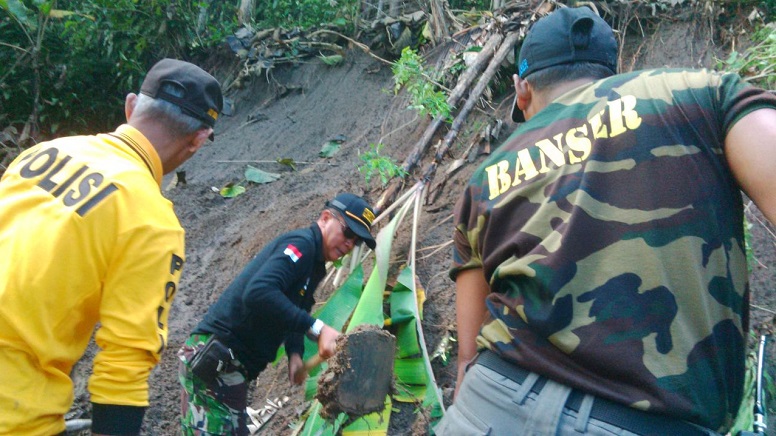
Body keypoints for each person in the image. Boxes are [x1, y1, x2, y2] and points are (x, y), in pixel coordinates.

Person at [436, 6, 776, 436]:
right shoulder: (700, 94)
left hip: (491, 405)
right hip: (644, 422)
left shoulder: (487, 175)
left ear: (522, 90)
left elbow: (466, 356)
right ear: (610, 73)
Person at [0, 59, 223, 435]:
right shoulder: (151, 221)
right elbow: (123, 368)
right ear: (199, 139)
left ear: (132, 105)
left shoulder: (41, 154)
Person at [178, 192, 376, 435]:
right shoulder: (302, 245)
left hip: (232, 369)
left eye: (356, 242)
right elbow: (258, 292)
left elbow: (295, 307)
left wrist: (295, 352)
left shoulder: (313, 264)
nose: (349, 244)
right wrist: (318, 328)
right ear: (325, 218)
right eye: (348, 233)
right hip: (215, 359)